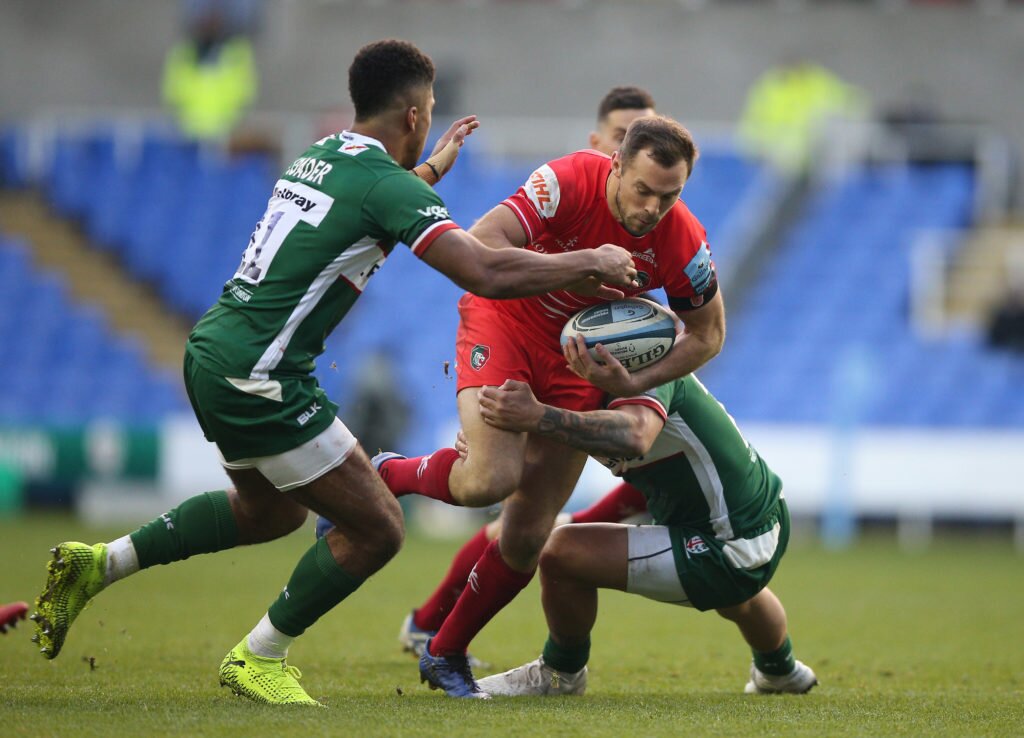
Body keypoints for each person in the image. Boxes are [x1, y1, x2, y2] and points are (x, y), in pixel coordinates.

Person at [29, 38, 637, 707]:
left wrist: (429, 172)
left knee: (269, 512)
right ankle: (258, 656)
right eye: (429, 110)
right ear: (412, 116)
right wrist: (589, 262)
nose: (430, 122)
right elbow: (484, 269)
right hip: (262, 375)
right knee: (378, 529)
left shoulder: (323, 154)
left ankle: (101, 564)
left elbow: (365, 206)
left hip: (215, 353)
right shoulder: (385, 185)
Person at [372, 114, 726, 698]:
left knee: (528, 533)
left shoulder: (683, 239)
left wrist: (637, 380)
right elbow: (482, 245)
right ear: (616, 165)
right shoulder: (566, 181)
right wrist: (585, 262)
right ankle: (387, 473)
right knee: (490, 478)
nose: (652, 208)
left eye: (670, 195)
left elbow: (707, 334)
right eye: (642, 190)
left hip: (578, 364)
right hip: (506, 323)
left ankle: (445, 652)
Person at [469, 343, 817, 697]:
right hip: (758, 515)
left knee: (561, 554)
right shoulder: (633, 359)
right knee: (739, 597)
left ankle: (561, 672)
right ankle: (780, 670)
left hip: (729, 541)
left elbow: (634, 434)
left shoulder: (646, 365)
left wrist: (538, 416)